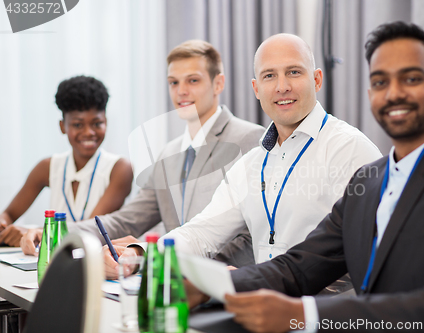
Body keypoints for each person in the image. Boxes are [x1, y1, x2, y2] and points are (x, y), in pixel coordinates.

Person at [190, 22, 424, 332]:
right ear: (370, 94)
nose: (394, 93)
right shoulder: (370, 180)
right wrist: (214, 285)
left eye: (411, 79)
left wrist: (303, 314)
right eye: (381, 82)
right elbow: (300, 266)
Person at [106, 33, 381, 277]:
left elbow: (369, 253)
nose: (282, 86)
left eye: (294, 72)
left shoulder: (350, 149)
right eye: (269, 75)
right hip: (264, 311)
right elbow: (202, 232)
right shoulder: (253, 162)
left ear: (317, 79)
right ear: (256, 89)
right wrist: (139, 253)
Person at [21, 40, 266, 268]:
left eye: (193, 80)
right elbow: (126, 220)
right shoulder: (168, 154)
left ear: (218, 83)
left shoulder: (250, 139)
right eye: (173, 82)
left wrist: (171, 264)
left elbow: (252, 233)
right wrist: (55, 231)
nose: (181, 91)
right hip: (169, 282)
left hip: (225, 285)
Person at [0, 76, 133, 247]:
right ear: (62, 127)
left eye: (97, 123)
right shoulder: (47, 167)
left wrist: (31, 232)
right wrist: (4, 224)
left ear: (106, 122)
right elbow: (9, 214)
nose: (89, 132)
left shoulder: (120, 169)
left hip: (98, 262)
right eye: (78, 125)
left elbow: (91, 230)